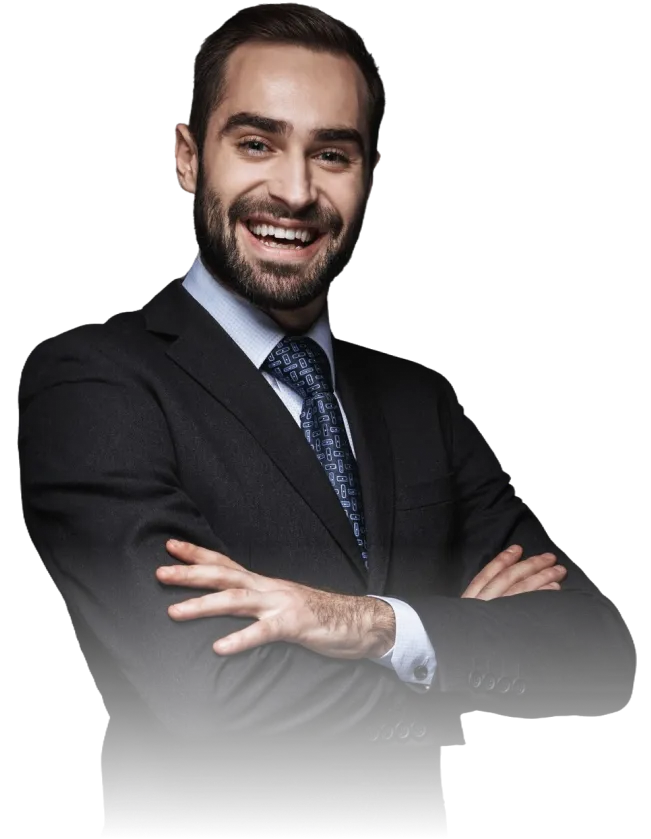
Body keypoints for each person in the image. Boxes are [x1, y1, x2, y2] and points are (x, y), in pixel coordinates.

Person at [15, 4, 637, 832]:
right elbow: (205, 691)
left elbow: (597, 649)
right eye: (256, 143)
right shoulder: (93, 383)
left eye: (332, 154)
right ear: (187, 157)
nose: (296, 191)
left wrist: (372, 623)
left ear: (369, 178)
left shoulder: (422, 401)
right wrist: (455, 664)